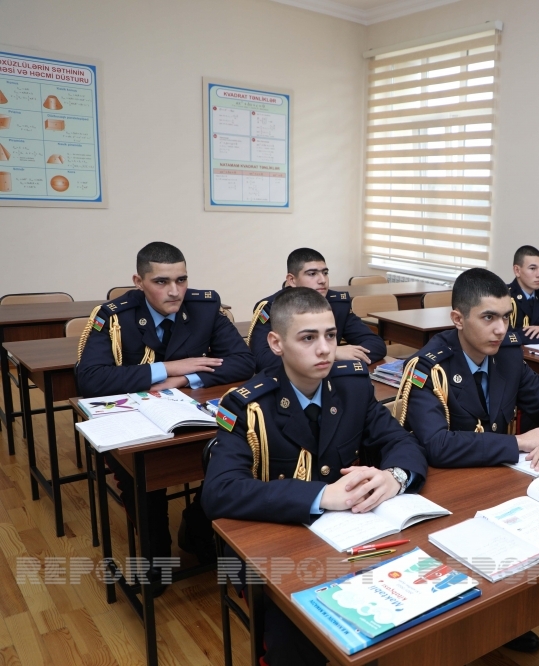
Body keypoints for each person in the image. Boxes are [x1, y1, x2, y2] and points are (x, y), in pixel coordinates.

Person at [202, 287, 427, 666]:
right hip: (270, 546)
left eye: (330, 336)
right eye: (308, 338)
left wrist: (395, 476)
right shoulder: (248, 405)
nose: (325, 349)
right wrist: (321, 497)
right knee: (299, 636)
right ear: (276, 343)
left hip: (349, 536)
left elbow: (401, 441)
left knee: (408, 599)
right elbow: (219, 492)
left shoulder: (352, 386)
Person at [396, 267, 539, 653]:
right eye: (488, 318)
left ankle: (505, 618)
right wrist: (516, 442)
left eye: (505, 317)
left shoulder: (508, 356)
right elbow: (437, 445)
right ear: (458, 319)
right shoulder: (428, 366)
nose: (501, 329)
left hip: (500, 482)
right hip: (446, 491)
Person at [75, 241, 255, 587]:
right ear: (139, 281)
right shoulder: (114, 316)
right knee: (145, 482)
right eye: (161, 282)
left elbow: (243, 361)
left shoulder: (204, 307)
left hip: (188, 413)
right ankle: (157, 558)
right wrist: (167, 368)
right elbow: (90, 379)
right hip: (133, 423)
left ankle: (197, 530)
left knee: (229, 462)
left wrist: (184, 378)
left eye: (181, 280)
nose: (175, 291)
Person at [248, 247, 386, 375]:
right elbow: (262, 360)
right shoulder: (271, 307)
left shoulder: (337, 303)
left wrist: (326, 360)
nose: (322, 280)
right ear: (292, 280)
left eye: (325, 273)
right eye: (312, 274)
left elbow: (376, 344)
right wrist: (333, 353)